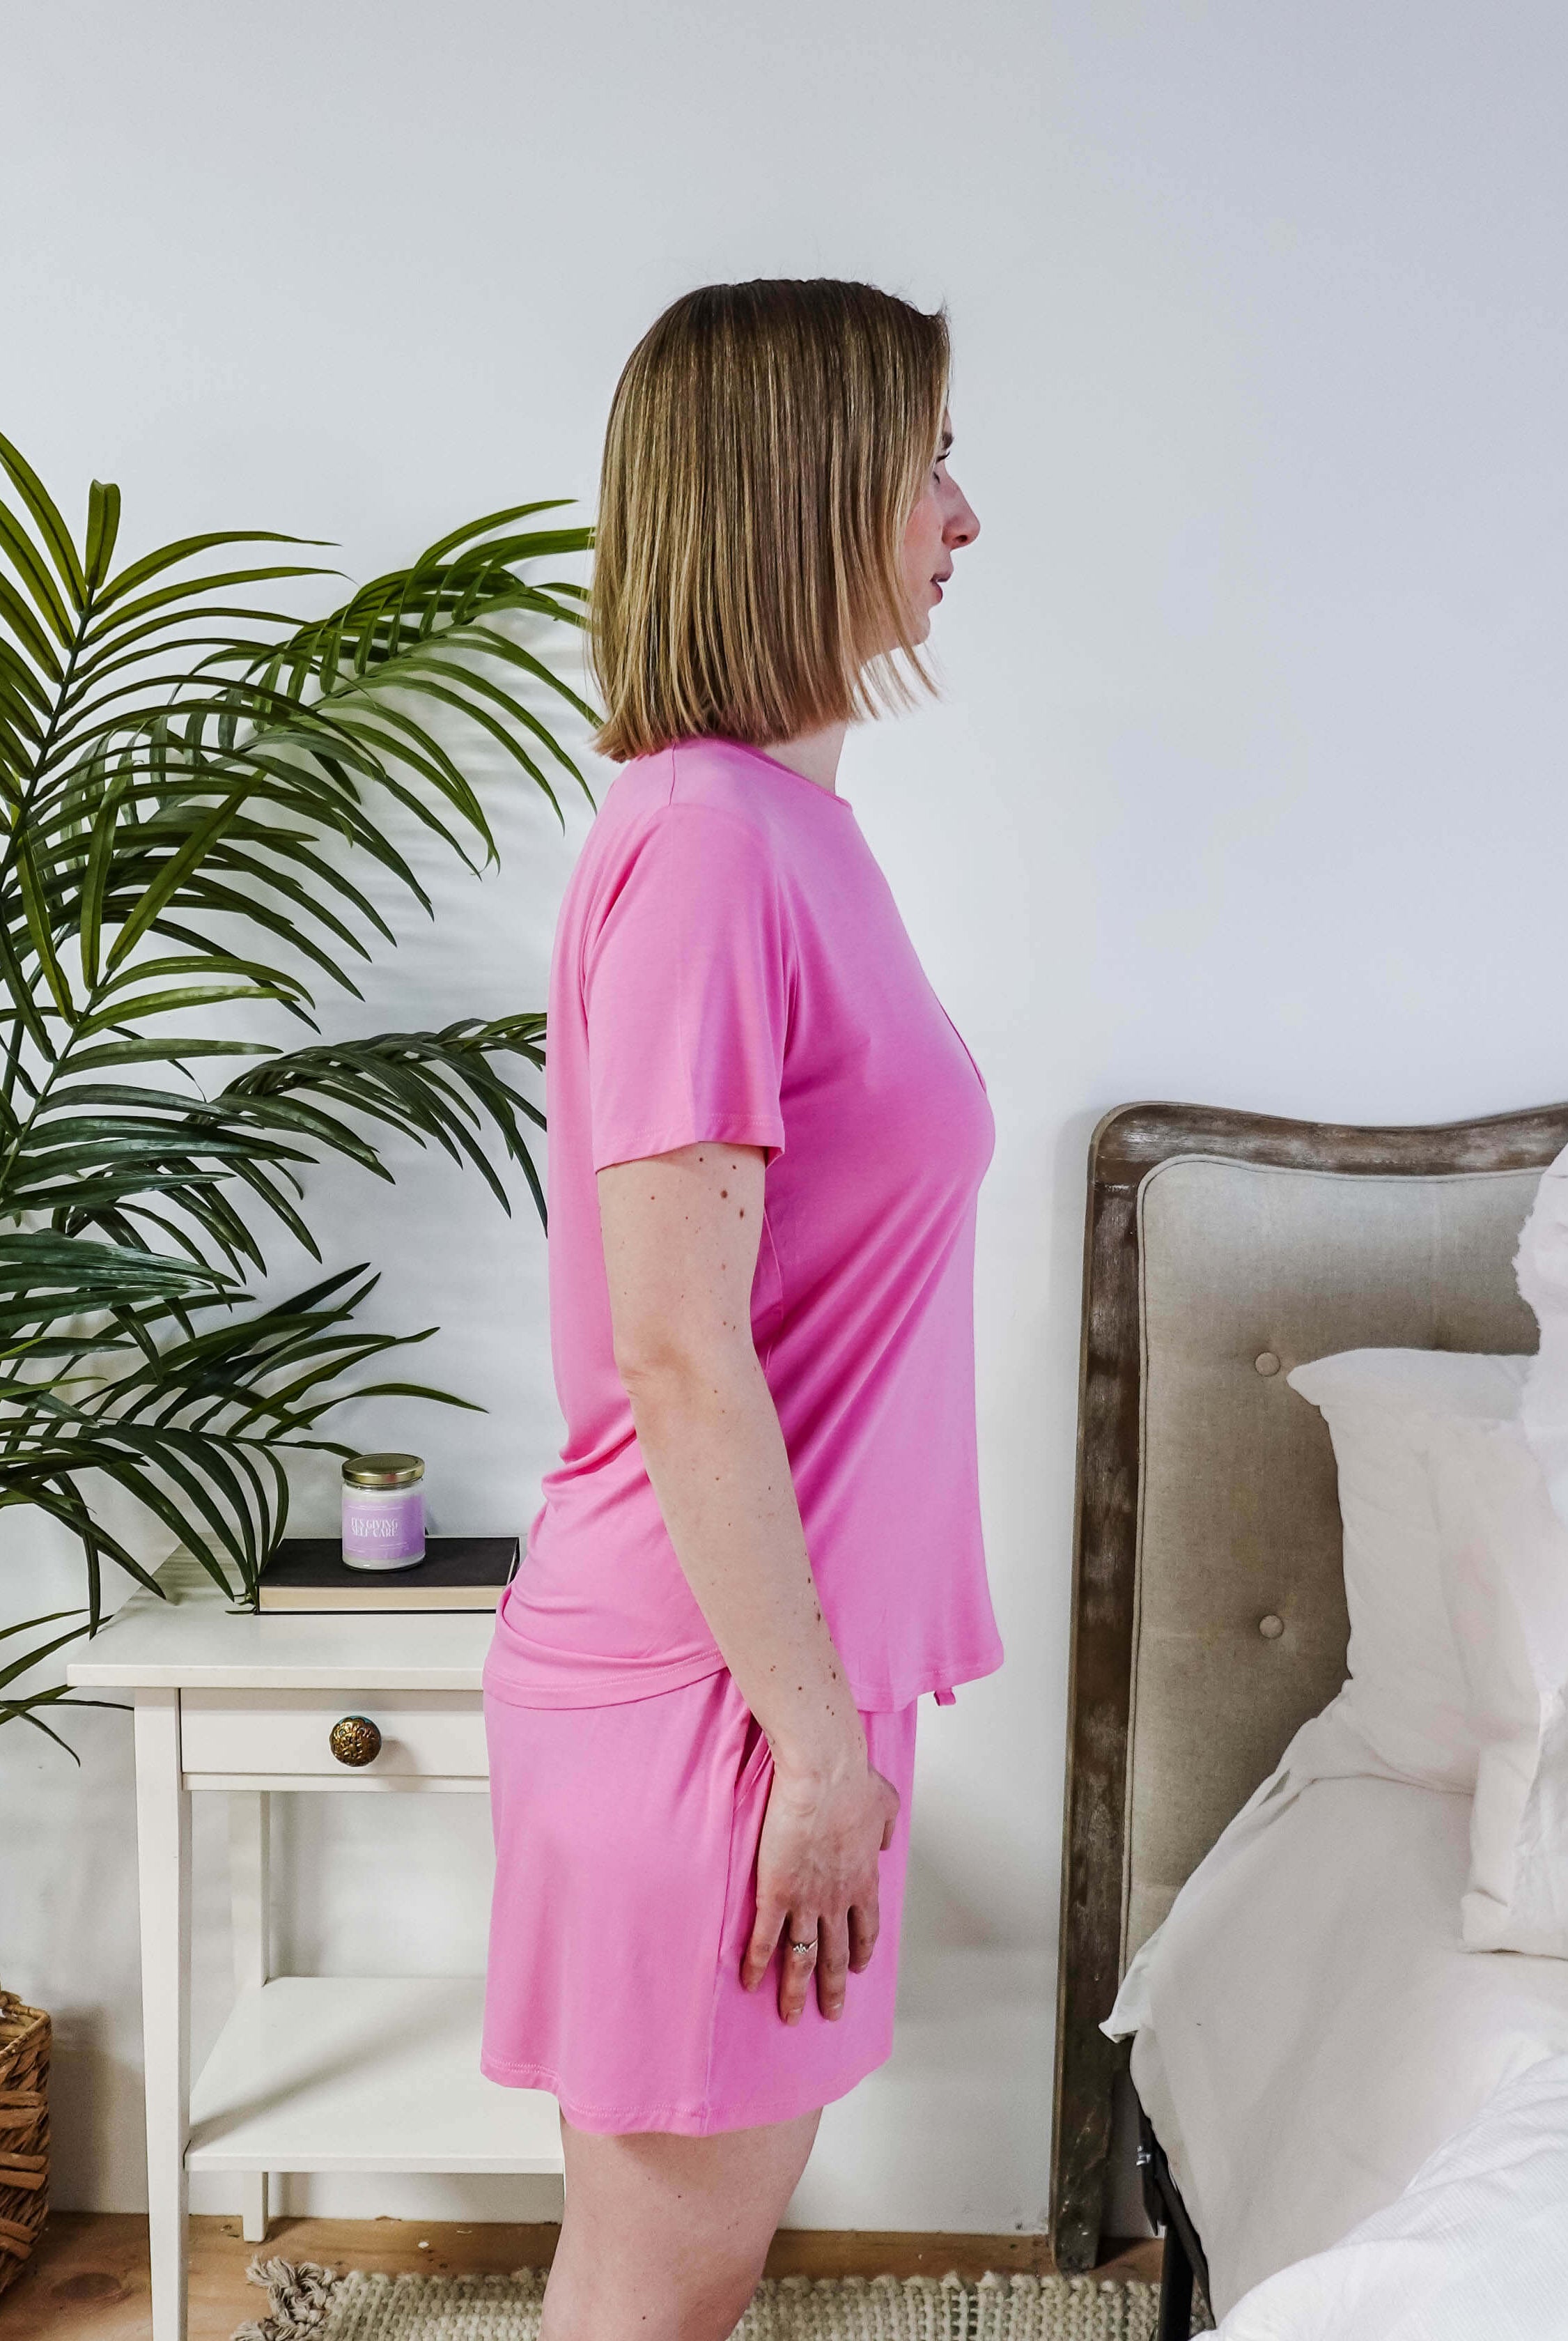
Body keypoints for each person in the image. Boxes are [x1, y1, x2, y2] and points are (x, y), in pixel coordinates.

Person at [480, 276, 1002, 2341]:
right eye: (928, 462)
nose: (962, 519)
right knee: (655, 2293)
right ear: (807, 490)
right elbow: (677, 1345)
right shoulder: (703, 843)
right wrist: (807, 1750)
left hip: (777, 1667)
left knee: (668, 2279)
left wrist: (829, 1727)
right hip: (718, 1688)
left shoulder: (790, 833)